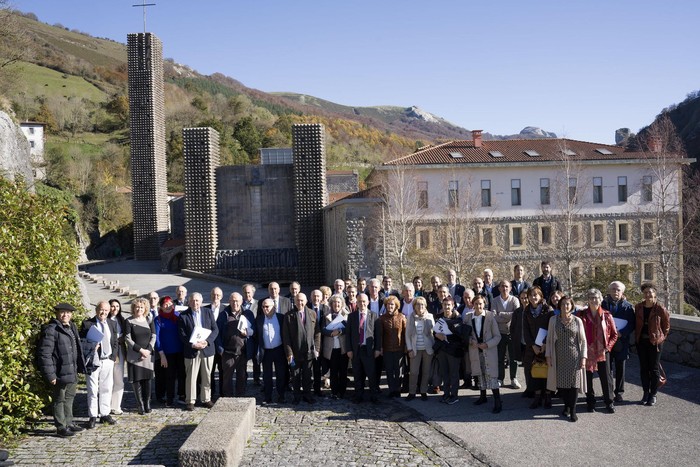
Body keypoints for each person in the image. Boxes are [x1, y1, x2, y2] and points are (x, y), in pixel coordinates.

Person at [37, 303, 86, 437]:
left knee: (70, 397)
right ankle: (61, 427)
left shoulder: (72, 327)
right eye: (63, 312)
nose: (66, 315)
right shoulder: (51, 330)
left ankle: (69, 422)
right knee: (59, 399)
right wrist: (50, 375)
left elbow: (76, 348)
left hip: (72, 370)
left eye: (68, 313)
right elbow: (45, 354)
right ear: (57, 314)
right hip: (59, 372)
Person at [546, 296, 587, 422]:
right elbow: (549, 340)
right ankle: (566, 406)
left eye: (568, 304)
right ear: (559, 306)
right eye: (563, 304)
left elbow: (583, 340)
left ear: (572, 306)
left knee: (574, 384)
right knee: (562, 385)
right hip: (559, 357)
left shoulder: (577, 321)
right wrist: (548, 356)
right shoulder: (553, 320)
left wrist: (583, 357)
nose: (565, 306)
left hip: (574, 357)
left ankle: (573, 410)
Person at [178, 292, 219, 411]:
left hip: (207, 349)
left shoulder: (208, 312)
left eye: (197, 301)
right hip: (191, 350)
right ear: (189, 302)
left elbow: (215, 329)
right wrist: (192, 344)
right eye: (192, 300)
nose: (195, 303)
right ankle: (190, 400)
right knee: (191, 377)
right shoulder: (183, 316)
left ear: (201, 302)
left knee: (207, 376)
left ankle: (206, 399)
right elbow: (182, 334)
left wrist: (207, 342)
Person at [580, 288, 618, 413]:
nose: (594, 300)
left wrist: (608, 348)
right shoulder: (581, 315)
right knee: (588, 378)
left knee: (606, 377)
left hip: (603, 351)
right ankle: (590, 402)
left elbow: (614, 334)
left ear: (601, 299)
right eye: (591, 297)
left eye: (596, 297)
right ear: (588, 300)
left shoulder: (606, 315)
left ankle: (609, 402)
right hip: (587, 351)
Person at [80, 301, 118, 428]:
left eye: (106, 310)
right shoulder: (87, 324)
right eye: (102, 310)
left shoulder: (112, 323)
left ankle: (105, 414)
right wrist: (91, 347)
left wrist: (112, 358)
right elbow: (82, 342)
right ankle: (92, 415)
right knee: (92, 388)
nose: (104, 312)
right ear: (96, 310)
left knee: (106, 388)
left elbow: (115, 342)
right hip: (94, 360)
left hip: (107, 360)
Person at [635, 284, 670, 407]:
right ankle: (645, 393)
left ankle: (653, 394)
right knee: (644, 368)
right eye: (645, 292)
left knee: (654, 369)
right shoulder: (638, 307)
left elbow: (666, 326)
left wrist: (661, 338)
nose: (648, 294)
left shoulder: (660, 308)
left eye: (650, 292)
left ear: (655, 293)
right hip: (642, 342)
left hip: (655, 343)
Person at [282, 293, 321, 404]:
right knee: (295, 376)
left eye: (302, 301)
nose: (300, 303)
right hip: (295, 352)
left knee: (308, 376)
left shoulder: (312, 314)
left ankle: (307, 395)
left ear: (306, 301)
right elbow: (286, 337)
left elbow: (317, 333)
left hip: (309, 351)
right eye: (298, 300)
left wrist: (317, 348)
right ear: (295, 301)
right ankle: (296, 396)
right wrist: (289, 353)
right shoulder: (289, 316)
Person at [466, 296, 502, 412]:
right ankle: (483, 396)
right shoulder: (468, 317)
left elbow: (497, 336)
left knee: (491, 375)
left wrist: (487, 344)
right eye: (476, 304)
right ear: (472, 304)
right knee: (480, 373)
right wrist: (471, 341)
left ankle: (497, 401)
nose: (478, 306)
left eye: (480, 303)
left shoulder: (490, 316)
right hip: (475, 350)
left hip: (488, 350)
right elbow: (465, 334)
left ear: (484, 304)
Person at [602, 281, 636, 402]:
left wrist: (622, 333)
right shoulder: (602, 304)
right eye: (613, 289)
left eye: (618, 290)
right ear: (609, 290)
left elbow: (632, 324)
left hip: (622, 340)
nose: (615, 292)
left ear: (622, 292)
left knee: (620, 367)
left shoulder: (628, 307)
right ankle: (609, 391)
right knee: (607, 367)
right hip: (606, 341)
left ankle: (619, 392)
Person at [216, 292, 255, 397]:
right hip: (227, 352)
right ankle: (227, 396)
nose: (235, 303)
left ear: (241, 301)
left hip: (243, 351)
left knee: (242, 376)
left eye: (237, 301)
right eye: (232, 301)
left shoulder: (248, 314)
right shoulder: (223, 315)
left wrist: (248, 333)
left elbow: (255, 330)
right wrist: (220, 350)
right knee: (227, 377)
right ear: (229, 302)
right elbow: (217, 333)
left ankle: (240, 396)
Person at [346, 293, 382, 403]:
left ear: (368, 302)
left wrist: (377, 349)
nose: (362, 303)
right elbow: (348, 334)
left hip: (369, 350)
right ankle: (358, 396)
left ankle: (374, 396)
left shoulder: (374, 316)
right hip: (356, 350)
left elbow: (378, 334)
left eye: (364, 301)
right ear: (356, 303)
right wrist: (349, 349)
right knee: (357, 374)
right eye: (360, 301)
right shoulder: (351, 316)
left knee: (371, 374)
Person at [434, 297, 470, 405]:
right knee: (445, 373)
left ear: (453, 305)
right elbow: (434, 331)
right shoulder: (438, 318)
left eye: (449, 305)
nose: (446, 307)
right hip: (442, 350)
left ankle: (454, 395)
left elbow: (459, 336)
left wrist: (445, 337)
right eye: (445, 305)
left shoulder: (458, 318)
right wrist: (436, 335)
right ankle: (446, 394)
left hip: (454, 351)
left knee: (454, 374)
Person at [522, 286, 554, 409]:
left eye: (535, 295)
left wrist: (545, 343)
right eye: (530, 295)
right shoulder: (527, 311)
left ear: (540, 296)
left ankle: (547, 396)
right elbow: (525, 330)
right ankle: (537, 397)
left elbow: (551, 328)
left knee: (546, 371)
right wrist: (532, 345)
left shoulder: (548, 310)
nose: (533, 297)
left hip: (546, 345)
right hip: (533, 347)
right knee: (534, 371)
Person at [125, 297, 156, 415]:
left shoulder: (149, 320)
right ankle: (140, 405)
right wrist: (140, 350)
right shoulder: (129, 321)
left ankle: (147, 403)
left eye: (142, 307)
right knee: (136, 381)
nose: (139, 309)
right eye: (137, 307)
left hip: (148, 356)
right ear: (133, 308)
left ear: (145, 308)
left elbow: (153, 336)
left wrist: (148, 350)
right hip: (135, 356)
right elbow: (128, 338)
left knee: (147, 380)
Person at [154, 296, 185, 407]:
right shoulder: (158, 319)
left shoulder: (178, 316)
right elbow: (157, 338)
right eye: (165, 304)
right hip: (167, 353)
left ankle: (182, 395)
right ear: (161, 307)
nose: (168, 306)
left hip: (180, 350)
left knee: (182, 374)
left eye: (170, 304)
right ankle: (170, 398)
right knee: (170, 376)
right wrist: (161, 354)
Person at [256, 298, 287, 405]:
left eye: (267, 306)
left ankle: (281, 395)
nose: (265, 309)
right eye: (263, 307)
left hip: (279, 350)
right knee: (267, 376)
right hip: (266, 351)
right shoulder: (259, 319)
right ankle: (267, 397)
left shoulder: (280, 318)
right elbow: (256, 336)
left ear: (273, 307)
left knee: (281, 374)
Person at [491, 280, 521, 389]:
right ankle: (500, 379)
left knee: (513, 358)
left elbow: (516, 315)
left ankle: (514, 378)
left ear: (510, 288)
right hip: (499, 333)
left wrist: (501, 314)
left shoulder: (515, 300)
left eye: (506, 286)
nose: (504, 288)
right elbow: (494, 316)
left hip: (512, 333)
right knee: (500, 357)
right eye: (502, 286)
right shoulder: (494, 301)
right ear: (499, 288)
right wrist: (508, 316)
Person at [405, 297, 435, 401]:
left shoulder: (430, 317)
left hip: (427, 349)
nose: (420, 306)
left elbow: (433, 333)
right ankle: (412, 392)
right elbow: (407, 335)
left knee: (426, 371)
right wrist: (409, 349)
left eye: (422, 304)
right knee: (414, 372)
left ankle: (423, 391)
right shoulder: (410, 317)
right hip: (415, 349)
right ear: (414, 306)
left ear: (425, 306)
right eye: (418, 304)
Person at [378, 296, 407, 398]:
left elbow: (405, 333)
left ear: (396, 306)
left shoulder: (401, 317)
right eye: (388, 304)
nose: (390, 306)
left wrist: (406, 347)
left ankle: (397, 389)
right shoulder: (382, 318)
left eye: (392, 304)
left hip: (399, 348)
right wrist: (380, 347)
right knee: (389, 371)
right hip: (387, 349)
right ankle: (391, 390)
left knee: (398, 370)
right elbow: (380, 335)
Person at [322, 294, 349, 399]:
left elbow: (349, 329)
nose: (336, 304)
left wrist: (341, 331)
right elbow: (323, 329)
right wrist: (331, 333)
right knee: (333, 371)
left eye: (338, 302)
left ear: (342, 304)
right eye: (334, 302)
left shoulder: (347, 315)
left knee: (343, 371)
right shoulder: (326, 315)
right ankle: (334, 392)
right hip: (331, 348)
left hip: (343, 347)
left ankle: (342, 392)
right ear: (331, 304)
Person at [309, 289, 330, 396]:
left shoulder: (326, 309)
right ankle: (311, 387)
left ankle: (320, 386)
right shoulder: (306, 308)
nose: (316, 298)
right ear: (311, 297)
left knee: (322, 365)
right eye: (314, 296)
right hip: (309, 341)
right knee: (312, 366)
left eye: (318, 296)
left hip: (324, 342)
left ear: (321, 298)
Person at [108, 299, 127, 415]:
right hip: (109, 352)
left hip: (120, 350)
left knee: (119, 379)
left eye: (117, 306)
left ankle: (116, 405)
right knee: (108, 380)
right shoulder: (106, 320)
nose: (115, 308)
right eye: (113, 306)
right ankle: (106, 406)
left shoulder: (122, 320)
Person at [208, 287, 225, 398]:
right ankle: (211, 392)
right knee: (209, 371)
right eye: (214, 295)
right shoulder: (205, 309)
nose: (216, 297)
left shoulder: (225, 309)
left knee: (223, 370)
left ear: (221, 296)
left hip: (222, 345)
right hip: (209, 345)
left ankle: (223, 392)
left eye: (218, 295)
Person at [242, 284, 260, 386]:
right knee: (243, 357)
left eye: (248, 292)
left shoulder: (258, 304)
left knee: (255, 358)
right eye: (245, 292)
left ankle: (256, 378)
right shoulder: (239, 304)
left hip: (255, 335)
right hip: (243, 336)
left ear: (253, 293)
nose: (247, 294)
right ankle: (243, 377)